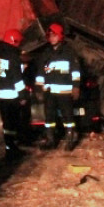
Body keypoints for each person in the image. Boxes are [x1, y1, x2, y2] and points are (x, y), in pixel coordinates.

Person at [34, 22, 82, 151]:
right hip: (49, 92)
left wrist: (76, 87)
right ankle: (50, 140)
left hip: (64, 91)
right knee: (49, 117)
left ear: (60, 36)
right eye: (50, 35)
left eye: (54, 35)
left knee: (68, 116)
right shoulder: (45, 53)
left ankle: (70, 137)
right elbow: (40, 73)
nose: (51, 38)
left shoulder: (69, 52)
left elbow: (76, 71)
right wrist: (39, 89)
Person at [0, 28, 28, 160]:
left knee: (7, 123)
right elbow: (17, 80)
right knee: (11, 124)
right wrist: (23, 96)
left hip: (0, 95)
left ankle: (9, 147)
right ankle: (11, 149)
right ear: (14, 42)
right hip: (10, 96)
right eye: (19, 43)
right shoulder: (12, 57)